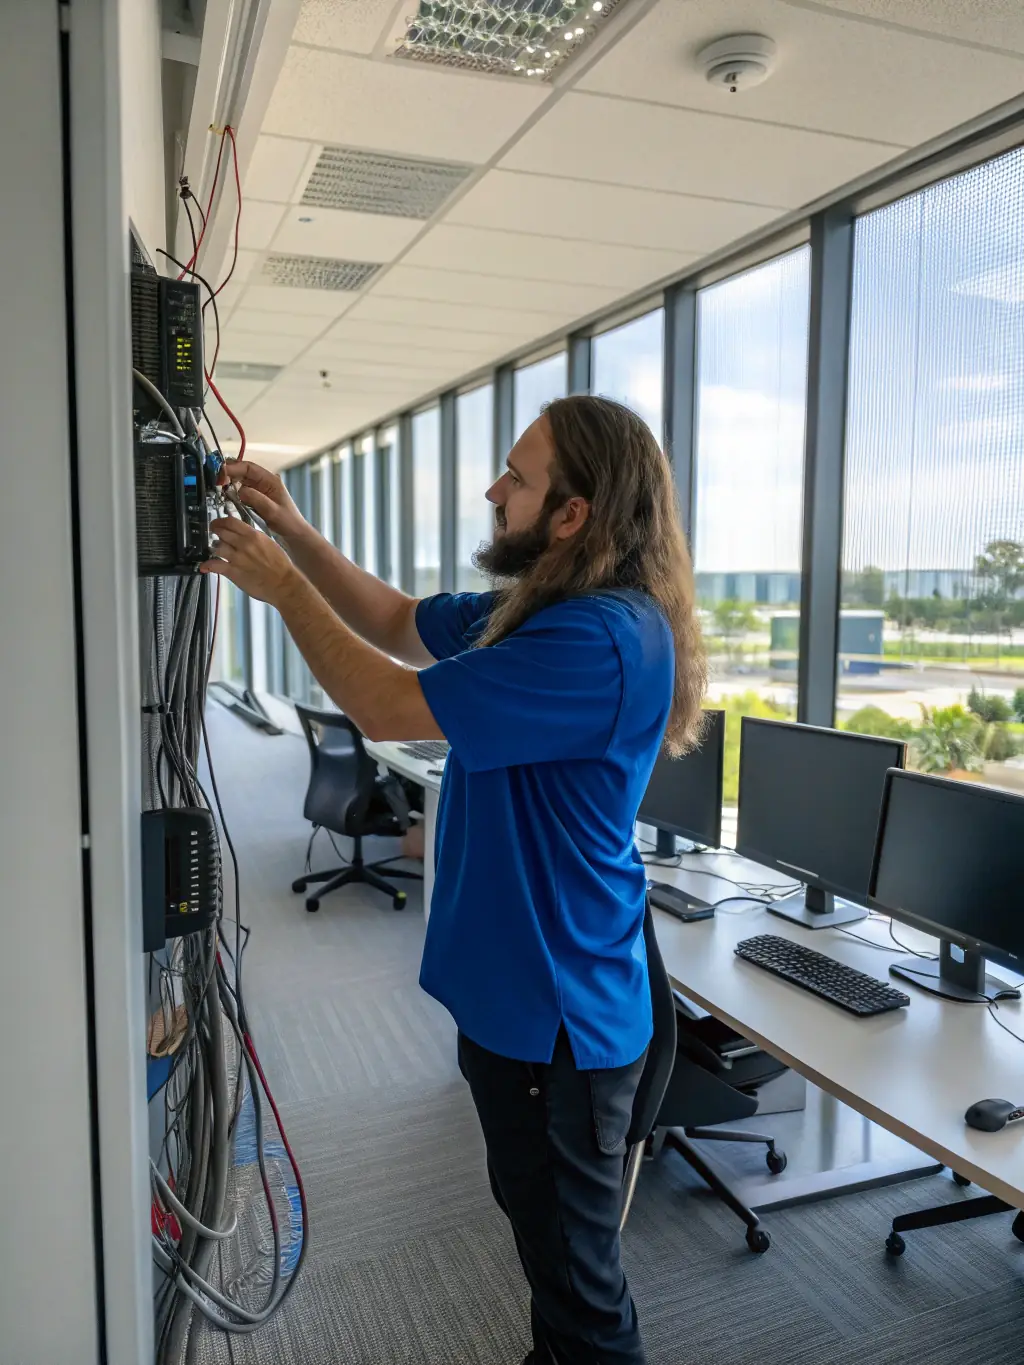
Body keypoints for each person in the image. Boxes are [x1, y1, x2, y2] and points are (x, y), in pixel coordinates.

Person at [204, 396, 706, 1364]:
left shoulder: (597, 635)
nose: (493, 490)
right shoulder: (538, 605)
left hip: (557, 1027)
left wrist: (280, 588)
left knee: (582, 1291)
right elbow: (395, 623)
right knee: (552, 1259)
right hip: (520, 1006)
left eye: (517, 478)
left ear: (572, 513)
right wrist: (295, 533)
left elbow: (388, 704)